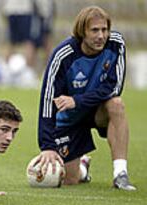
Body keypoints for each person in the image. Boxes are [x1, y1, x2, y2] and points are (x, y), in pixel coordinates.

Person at [36, 6, 136, 190]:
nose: (101, 36)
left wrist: (77, 101)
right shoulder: (63, 55)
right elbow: (47, 101)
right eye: (95, 30)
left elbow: (115, 87)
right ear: (82, 31)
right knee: (68, 179)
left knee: (116, 104)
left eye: (104, 29)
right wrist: (47, 146)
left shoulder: (116, 44)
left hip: (96, 111)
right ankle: (82, 167)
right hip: (69, 119)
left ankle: (120, 174)